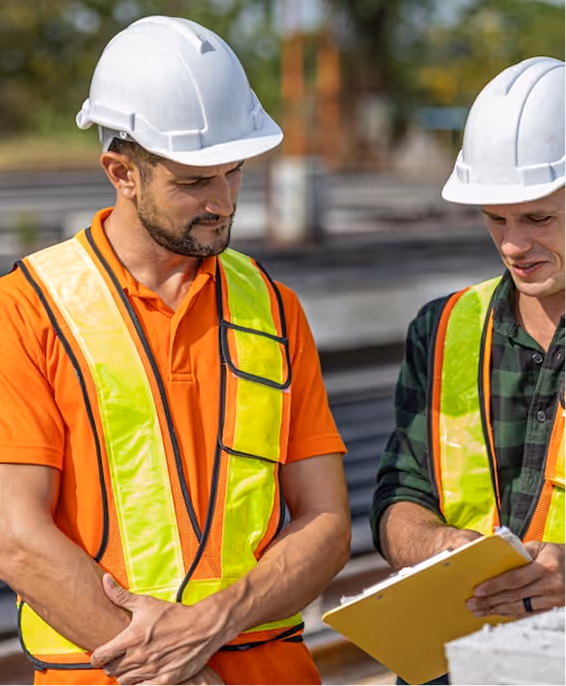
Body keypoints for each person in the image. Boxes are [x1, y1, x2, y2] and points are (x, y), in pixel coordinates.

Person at [0, 16, 351, 686]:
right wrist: (177, 672)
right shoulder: (27, 309)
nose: (222, 202)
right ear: (121, 172)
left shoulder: (274, 309)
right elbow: (16, 535)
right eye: (194, 182)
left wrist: (216, 620)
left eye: (234, 173)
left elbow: (329, 522)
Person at [371, 56, 565, 685]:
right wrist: (436, 548)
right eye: (495, 218)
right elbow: (400, 493)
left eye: (538, 218)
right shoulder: (445, 327)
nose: (512, 244)